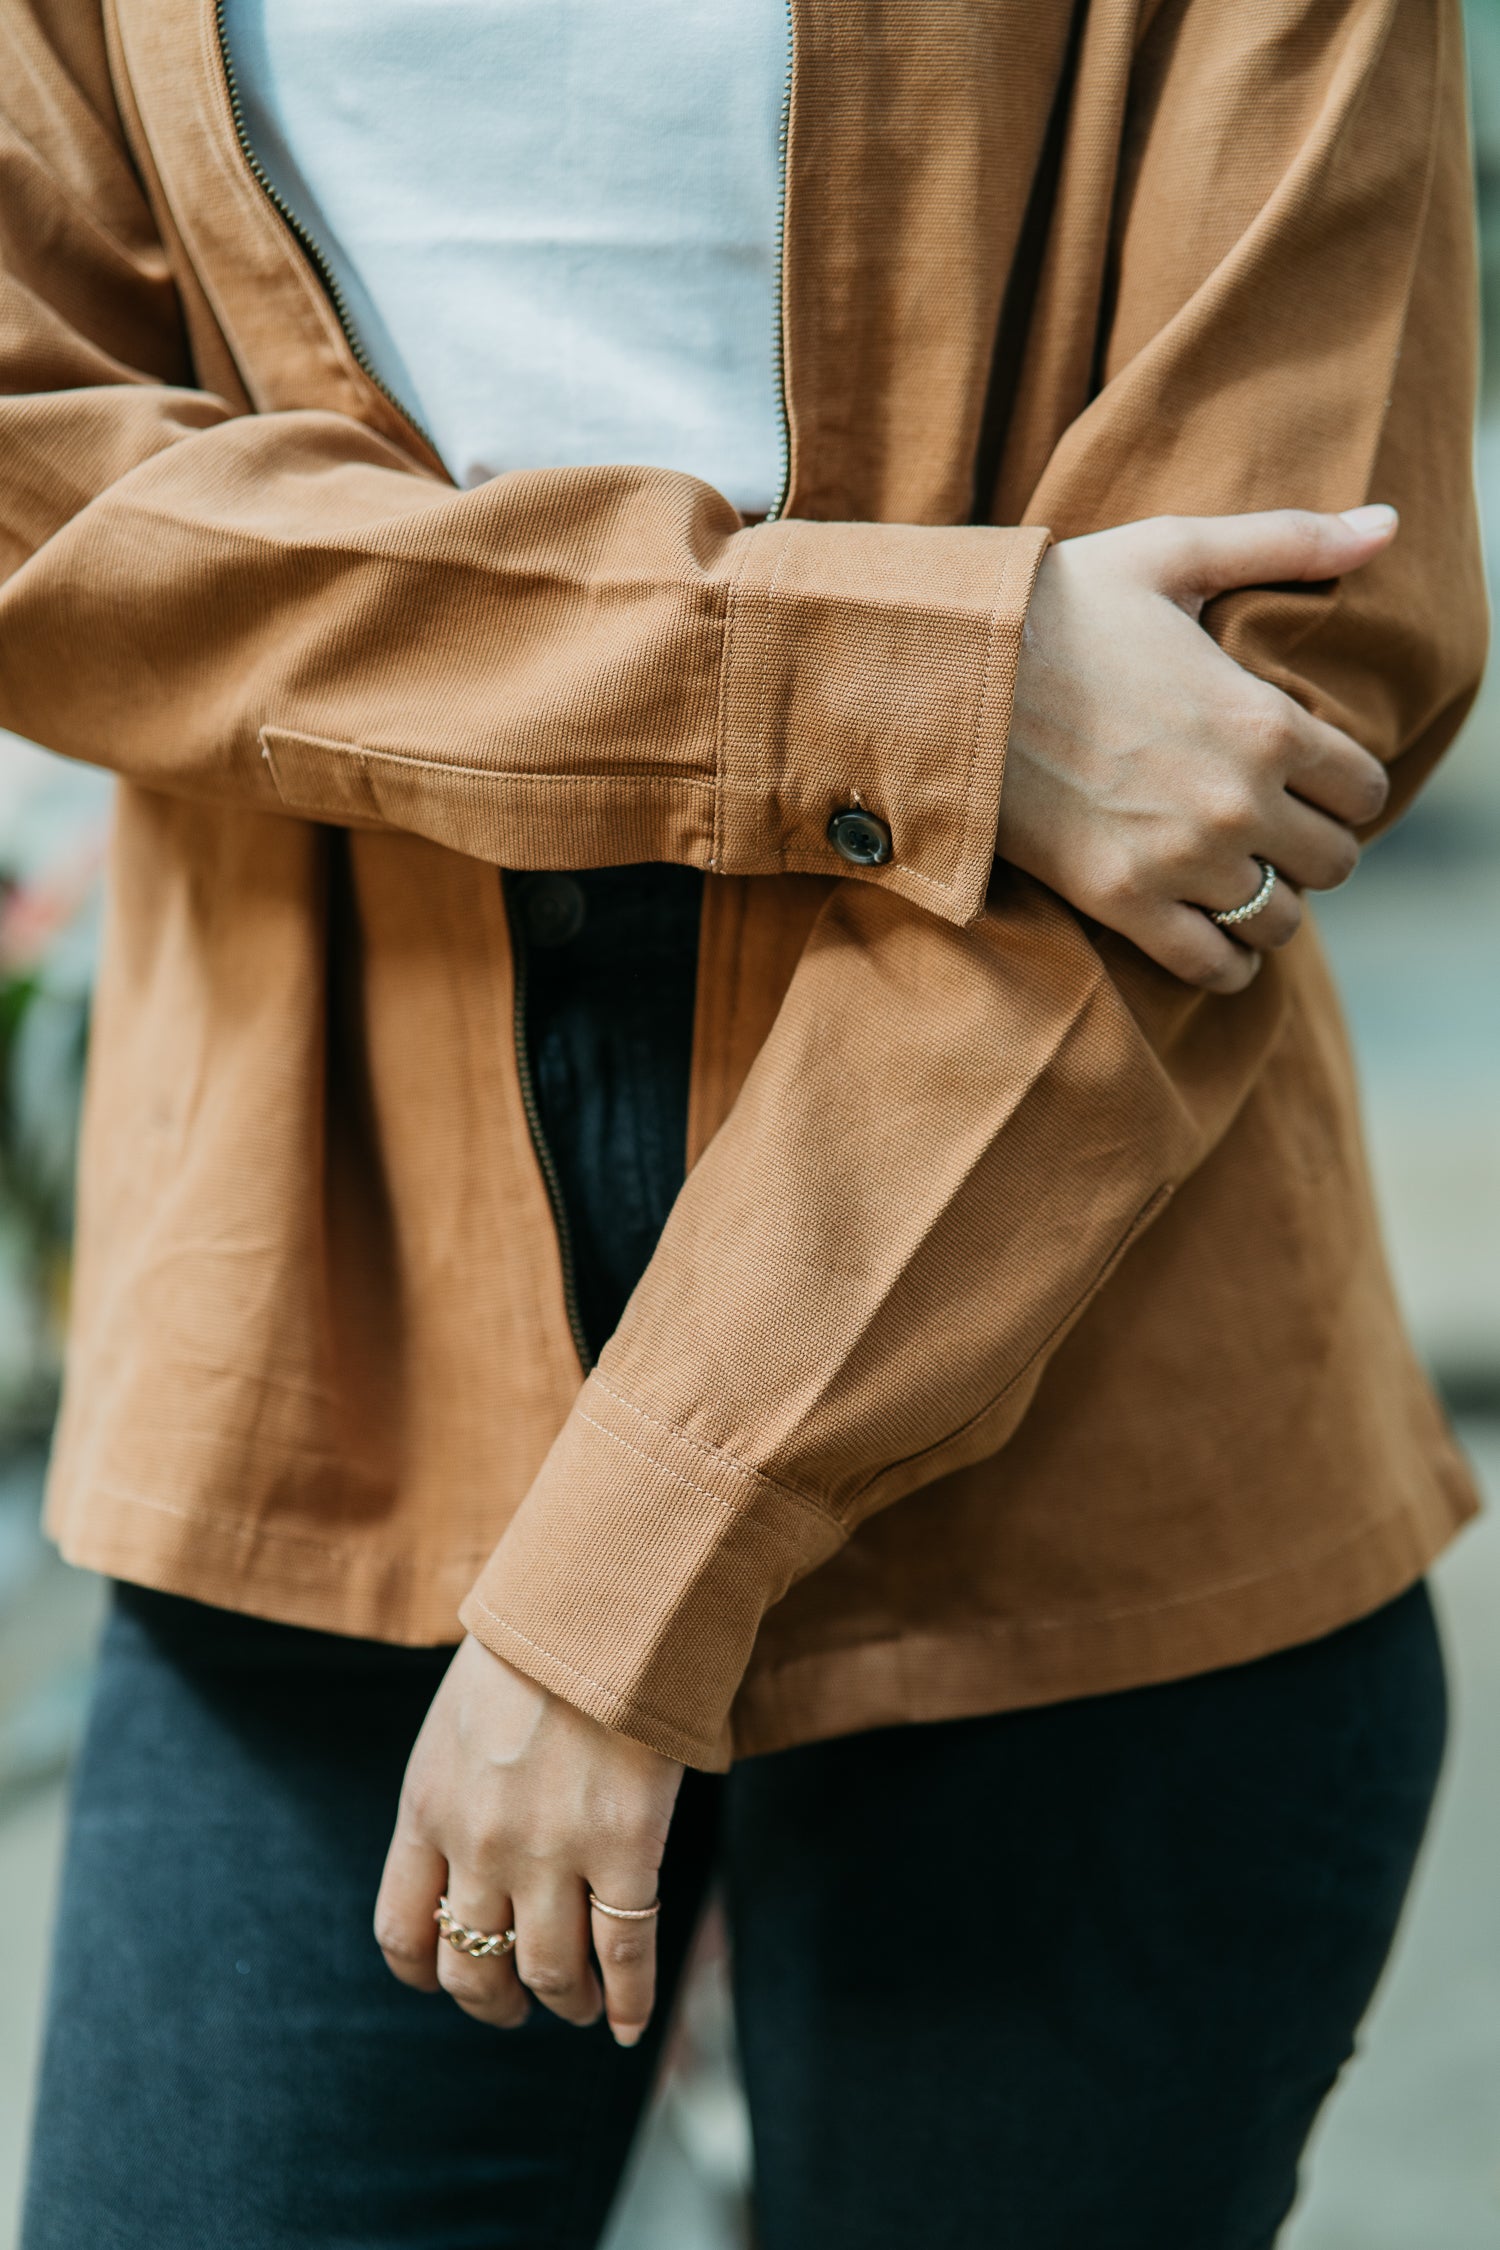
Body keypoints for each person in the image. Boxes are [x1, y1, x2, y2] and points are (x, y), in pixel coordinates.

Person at [3, 1, 1483, 2245]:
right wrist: (895, 677)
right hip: (321, 1370)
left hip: (1070, 1371)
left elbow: (1249, 709)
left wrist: (625, 1576)